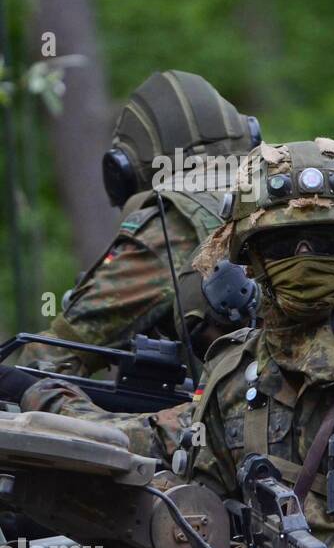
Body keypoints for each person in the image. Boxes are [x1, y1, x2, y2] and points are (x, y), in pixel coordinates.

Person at [16, 138, 334, 548]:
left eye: (325, 242)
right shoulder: (233, 374)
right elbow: (172, 471)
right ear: (250, 260)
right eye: (281, 247)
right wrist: (41, 402)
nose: (304, 260)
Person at [14, 70, 262, 375]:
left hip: (235, 415)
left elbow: (48, 360)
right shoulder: (282, 189)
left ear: (124, 171)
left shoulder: (174, 222)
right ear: (248, 134)